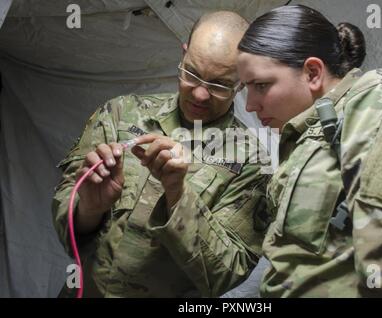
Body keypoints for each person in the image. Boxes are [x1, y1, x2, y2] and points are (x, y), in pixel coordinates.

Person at [52, 11, 271, 297]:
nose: (201, 94)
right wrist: (89, 209)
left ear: (242, 81)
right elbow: (65, 227)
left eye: (219, 84)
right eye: (192, 74)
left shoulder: (251, 162)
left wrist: (178, 196)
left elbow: (225, 275)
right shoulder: (120, 114)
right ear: (182, 55)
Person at [237, 4, 382, 297]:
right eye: (246, 88)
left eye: (261, 85)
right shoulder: (310, 138)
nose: (250, 104)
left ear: (312, 72)